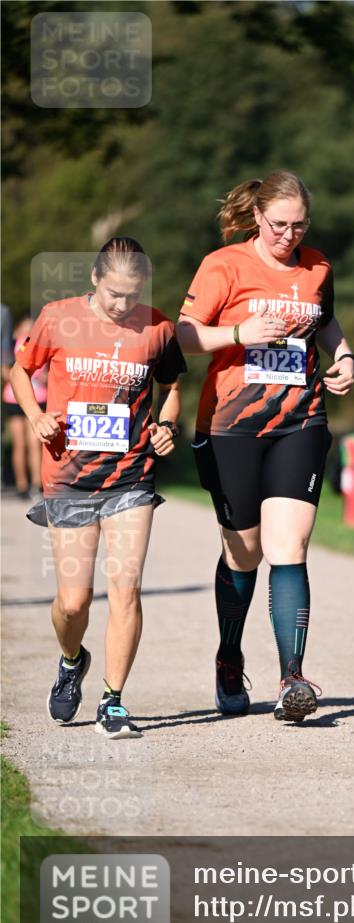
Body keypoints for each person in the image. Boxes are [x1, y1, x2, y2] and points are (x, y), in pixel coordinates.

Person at [176, 171, 354, 723]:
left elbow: (325, 324)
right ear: (256, 217)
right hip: (232, 424)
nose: (288, 236)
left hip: (300, 420)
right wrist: (237, 335)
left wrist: (345, 358)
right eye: (278, 224)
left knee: (290, 545)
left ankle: (292, 678)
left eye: (299, 225)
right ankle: (230, 658)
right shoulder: (223, 265)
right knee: (243, 550)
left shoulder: (318, 265)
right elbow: (183, 334)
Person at [10, 237, 186, 739]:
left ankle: (113, 700)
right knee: (73, 603)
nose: (121, 305)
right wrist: (36, 415)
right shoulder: (58, 318)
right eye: (113, 294)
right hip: (69, 476)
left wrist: (167, 426)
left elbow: (172, 386)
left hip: (131, 475)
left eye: (131, 295)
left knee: (125, 588)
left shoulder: (157, 327)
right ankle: (71, 660)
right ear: (94, 279)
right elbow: (20, 371)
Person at [2, 316, 46, 499]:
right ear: (18, 328)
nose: (29, 329)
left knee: (35, 443)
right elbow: (5, 369)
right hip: (14, 399)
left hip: (39, 397)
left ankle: (37, 484)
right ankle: (22, 484)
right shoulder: (11, 344)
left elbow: (49, 372)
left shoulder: (42, 344)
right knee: (19, 444)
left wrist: (42, 379)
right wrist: (21, 380)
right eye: (26, 326)